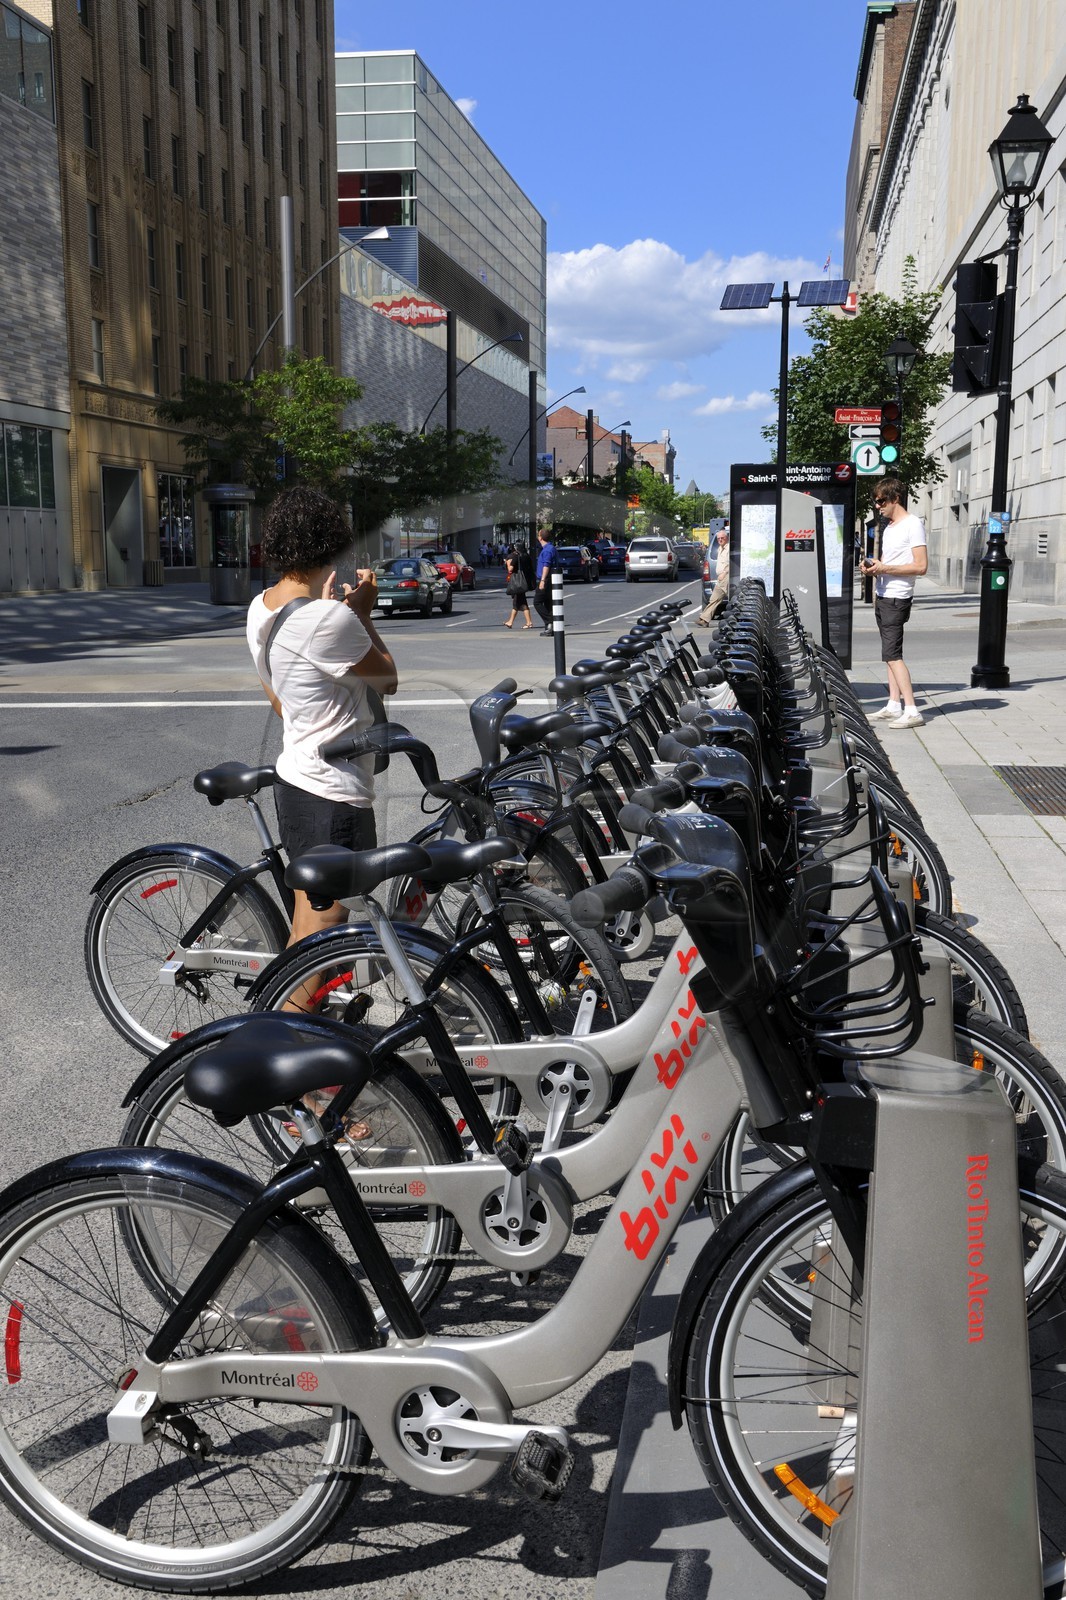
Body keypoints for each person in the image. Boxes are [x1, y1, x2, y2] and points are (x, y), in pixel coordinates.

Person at [247, 486, 398, 949]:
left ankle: (292, 996)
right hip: (333, 794)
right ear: (330, 544)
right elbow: (387, 679)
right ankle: (287, 1001)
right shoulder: (329, 620)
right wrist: (362, 614)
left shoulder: (260, 607)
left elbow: (281, 704)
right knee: (324, 939)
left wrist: (333, 614)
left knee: (306, 932)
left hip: (295, 784)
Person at [861, 477, 928, 728]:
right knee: (889, 655)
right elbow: (888, 563)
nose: (877, 506)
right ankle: (893, 704)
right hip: (884, 594)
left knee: (893, 655)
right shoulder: (889, 527)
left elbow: (921, 566)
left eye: (881, 501)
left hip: (898, 596)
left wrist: (885, 568)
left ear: (895, 498)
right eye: (876, 501)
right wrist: (873, 568)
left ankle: (912, 710)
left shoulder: (913, 524)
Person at [696, 524, 730, 626]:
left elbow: (731, 563)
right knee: (714, 599)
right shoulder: (720, 548)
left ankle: (704, 619)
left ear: (726, 538)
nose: (720, 540)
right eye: (718, 538)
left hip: (726, 577)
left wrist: (724, 573)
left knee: (726, 599)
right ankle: (704, 620)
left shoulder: (729, 548)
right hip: (720, 578)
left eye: (722, 538)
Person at [533, 525, 556, 634]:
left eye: (538, 535)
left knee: (537, 602)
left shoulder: (547, 550)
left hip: (545, 580)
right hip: (550, 579)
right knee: (548, 603)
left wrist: (542, 580)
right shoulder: (551, 548)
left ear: (540, 538)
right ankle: (550, 628)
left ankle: (550, 621)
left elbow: (546, 565)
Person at [503, 552, 534, 629]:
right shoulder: (524, 556)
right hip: (522, 582)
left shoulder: (514, 557)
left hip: (517, 584)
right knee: (519, 604)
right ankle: (511, 622)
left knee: (520, 604)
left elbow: (510, 569)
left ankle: (528, 622)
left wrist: (507, 563)